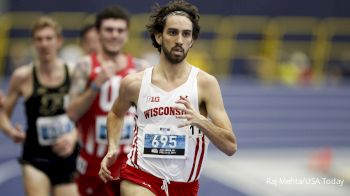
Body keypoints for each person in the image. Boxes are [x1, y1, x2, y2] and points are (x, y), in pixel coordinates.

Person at [99, 0, 237, 196]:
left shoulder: (206, 84)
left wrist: (200, 120)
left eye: (186, 34)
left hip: (184, 186)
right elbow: (115, 112)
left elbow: (230, 146)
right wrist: (112, 147)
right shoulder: (134, 83)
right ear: (158, 36)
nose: (179, 39)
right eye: (173, 32)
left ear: (192, 40)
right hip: (140, 176)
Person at [66, 6, 149, 196]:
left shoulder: (140, 67)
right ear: (98, 33)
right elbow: (72, 113)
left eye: (120, 30)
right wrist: (96, 84)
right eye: (109, 30)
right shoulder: (85, 66)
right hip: (93, 161)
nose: (114, 35)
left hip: (128, 161)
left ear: (127, 35)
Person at [0, 16, 79, 196]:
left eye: (49, 38)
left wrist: (73, 136)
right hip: (35, 157)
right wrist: (11, 132)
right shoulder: (23, 76)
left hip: (68, 156)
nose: (44, 44)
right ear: (33, 43)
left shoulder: (73, 73)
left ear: (58, 41)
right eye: (39, 39)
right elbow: (3, 115)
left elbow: (86, 114)